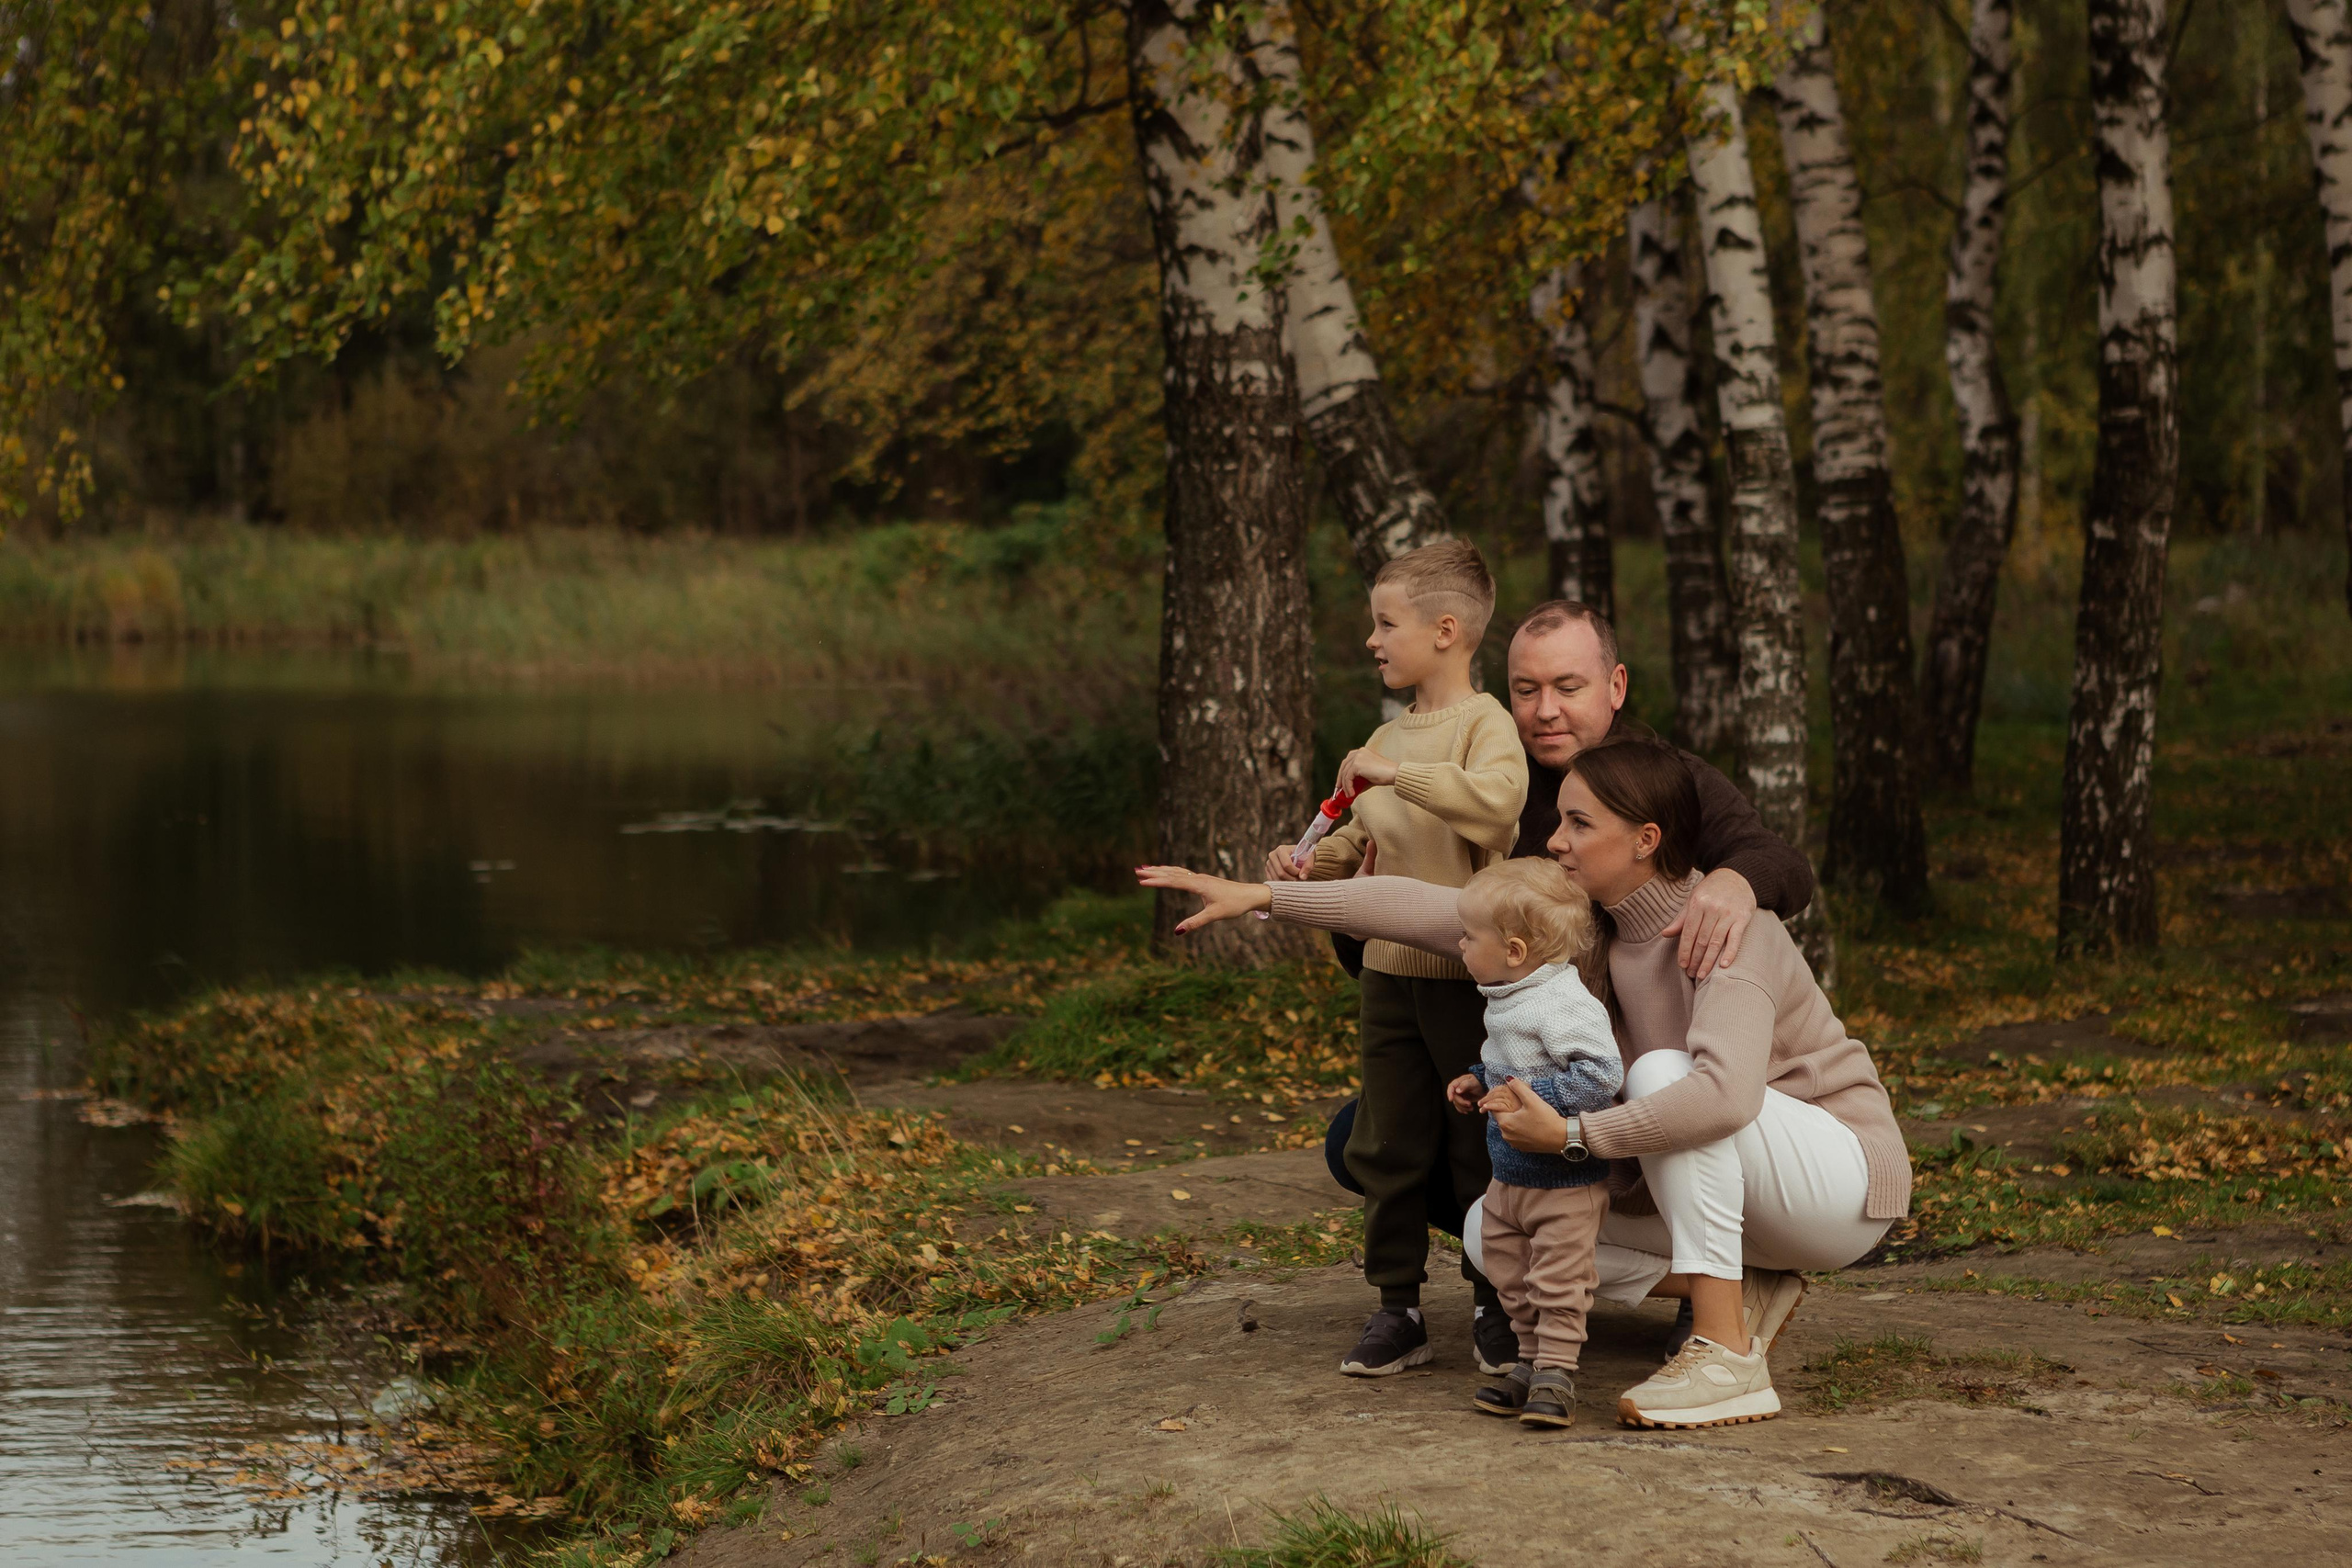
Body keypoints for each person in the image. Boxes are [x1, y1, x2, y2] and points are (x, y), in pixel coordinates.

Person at [1138, 736, 1910, 1430]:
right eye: (1560, 820)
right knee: (1492, 1227)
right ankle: (1737, 1285)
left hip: (1835, 1181)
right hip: (1741, 1199)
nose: (1555, 839)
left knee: (1664, 1075)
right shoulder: (1585, 929)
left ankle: (1725, 1356)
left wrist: (1576, 1135)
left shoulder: (1729, 927)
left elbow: (1725, 1099)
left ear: (1647, 840)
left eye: (1580, 823)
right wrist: (1267, 897)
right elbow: (1431, 911)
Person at [1321, 599, 1815, 1345]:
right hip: (1525, 1054)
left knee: (1662, 1085)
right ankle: (1517, 1280)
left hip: (1645, 1055)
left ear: (1616, 686)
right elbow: (1430, 923)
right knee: (1362, 1137)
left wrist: (1737, 880)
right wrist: (1351, 921)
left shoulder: (1663, 778)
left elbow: (1781, 861)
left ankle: (1709, 1281)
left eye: (1569, 686)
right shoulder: (1488, 784)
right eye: (1526, 690)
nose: (1546, 710)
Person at [1277, 540, 1529, 1379]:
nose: (1373, 640)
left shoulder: (1484, 724)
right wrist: (1307, 864)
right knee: (1387, 1142)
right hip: (1387, 979)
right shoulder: (1383, 735)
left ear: (1447, 630)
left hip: (1469, 982)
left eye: (1387, 624)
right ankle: (1398, 1308)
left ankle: (1495, 1301)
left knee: (1473, 1149)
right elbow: (1354, 840)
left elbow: (1496, 811)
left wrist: (1399, 771)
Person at [1442, 858, 1621, 1427]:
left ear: (1514, 951)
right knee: (1507, 1270)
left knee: (1559, 1280)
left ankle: (1557, 1373)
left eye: (1470, 937)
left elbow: (1601, 1078)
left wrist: (1524, 1095)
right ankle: (1528, 1359)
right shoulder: (1510, 996)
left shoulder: (1564, 1004)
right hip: (1510, 1177)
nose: (1460, 944)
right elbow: (1506, 1060)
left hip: (1564, 1182)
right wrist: (1479, 1076)